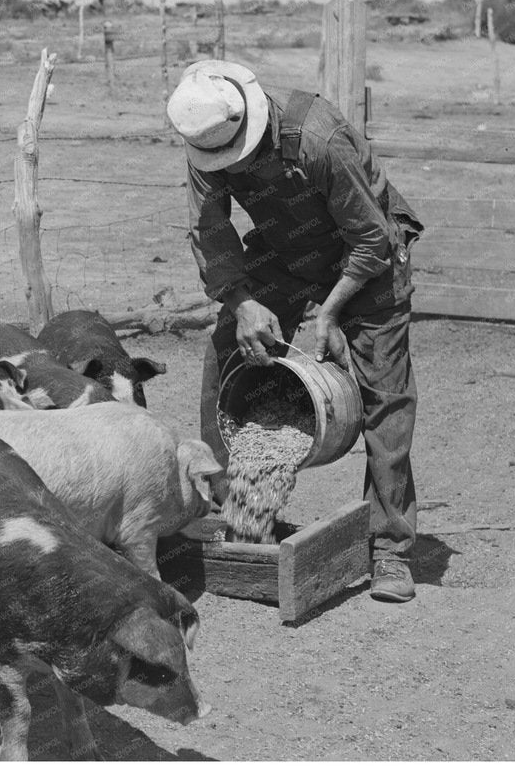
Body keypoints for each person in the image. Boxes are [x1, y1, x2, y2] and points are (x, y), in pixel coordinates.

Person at [166, 59, 424, 602]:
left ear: (250, 119)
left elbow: (371, 238)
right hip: (285, 251)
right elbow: (209, 229)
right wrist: (241, 303)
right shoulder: (207, 140)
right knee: (226, 355)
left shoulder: (317, 138)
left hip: (368, 259)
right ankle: (231, 512)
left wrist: (328, 312)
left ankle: (390, 549)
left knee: (385, 398)